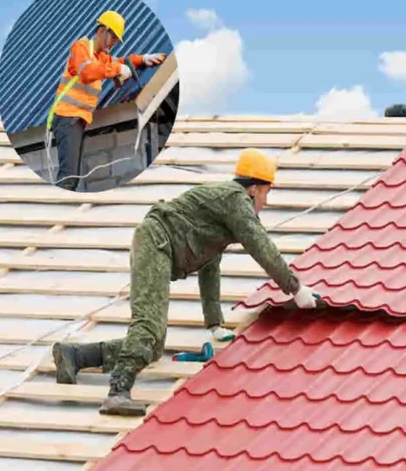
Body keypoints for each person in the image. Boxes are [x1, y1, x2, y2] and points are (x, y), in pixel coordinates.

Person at [51, 148, 320, 416]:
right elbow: (262, 247)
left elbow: (210, 264)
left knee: (153, 346)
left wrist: (214, 323)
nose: (267, 201)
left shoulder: (224, 212)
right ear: (253, 189)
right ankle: (117, 392)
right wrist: (295, 288)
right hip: (157, 243)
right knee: (148, 327)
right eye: (267, 192)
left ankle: (76, 356)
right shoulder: (235, 201)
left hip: (157, 244)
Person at [48, 10, 167, 191]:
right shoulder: (80, 47)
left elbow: (118, 61)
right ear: (103, 30)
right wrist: (116, 70)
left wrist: (142, 59)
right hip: (67, 117)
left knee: (73, 177)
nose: (114, 43)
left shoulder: (100, 57)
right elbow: (88, 72)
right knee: (69, 177)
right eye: (113, 38)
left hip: (76, 120)